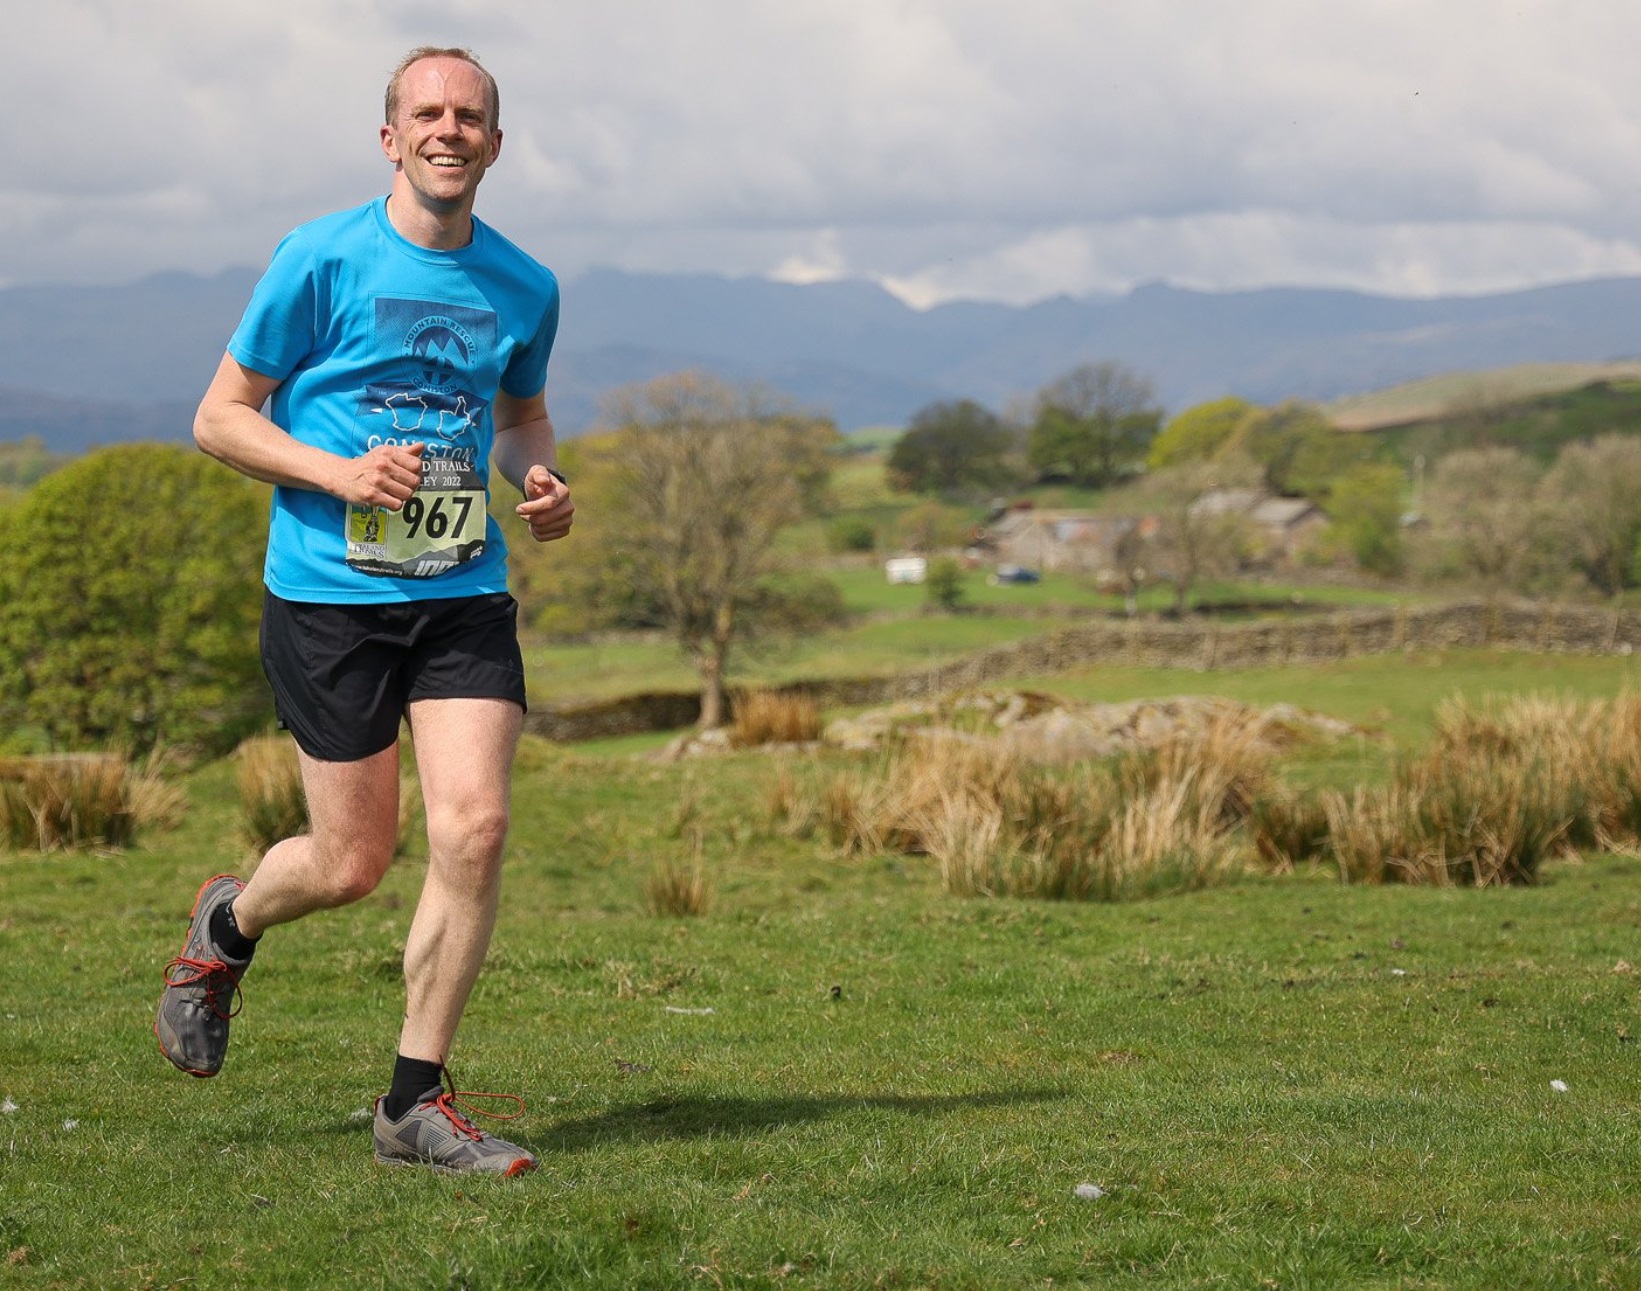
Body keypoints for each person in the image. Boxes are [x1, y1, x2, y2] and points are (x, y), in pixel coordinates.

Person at [154, 46, 573, 1177]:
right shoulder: (320, 257)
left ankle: (412, 1105)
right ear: (392, 138)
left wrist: (537, 476)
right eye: (427, 113)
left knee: (475, 828)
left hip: (462, 592)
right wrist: (339, 475)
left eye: (469, 116)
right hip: (329, 598)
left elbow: (520, 416)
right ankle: (229, 924)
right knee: (350, 862)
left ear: (495, 142)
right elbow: (219, 416)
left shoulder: (525, 284)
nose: (449, 129)